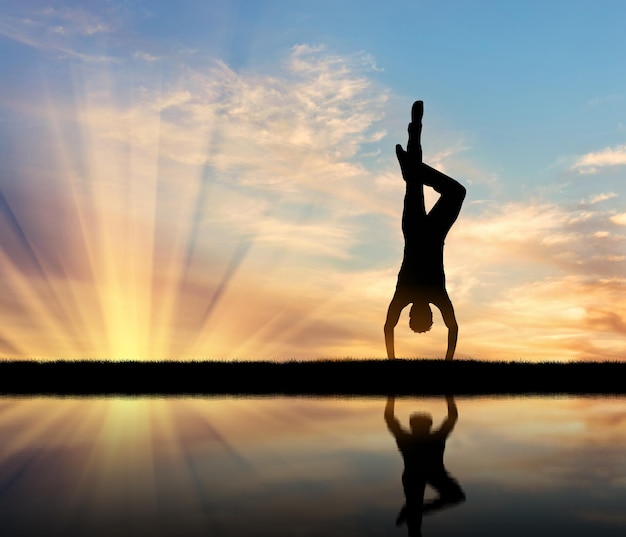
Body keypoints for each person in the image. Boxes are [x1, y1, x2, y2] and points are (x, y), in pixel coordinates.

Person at [384, 101, 466, 360]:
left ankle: (414, 146)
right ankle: (413, 157)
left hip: (426, 233)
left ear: (428, 314)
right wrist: (392, 360)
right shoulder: (407, 294)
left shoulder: (431, 295)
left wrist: (448, 361)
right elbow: (388, 327)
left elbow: (452, 327)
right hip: (423, 232)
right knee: (418, 184)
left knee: (452, 191)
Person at [385, 395, 465, 536]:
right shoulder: (435, 437)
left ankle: (412, 511)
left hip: (423, 474)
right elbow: (452, 417)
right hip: (421, 474)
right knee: (415, 522)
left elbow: (390, 419)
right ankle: (412, 512)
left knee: (453, 497)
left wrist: (391, 398)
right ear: (429, 425)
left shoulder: (407, 438)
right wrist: (449, 397)